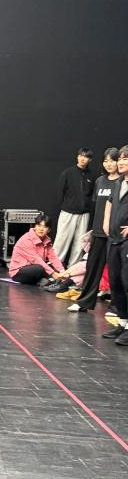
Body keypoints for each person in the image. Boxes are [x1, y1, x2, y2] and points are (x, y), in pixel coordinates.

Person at [70, 148, 121, 312]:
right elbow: (96, 207)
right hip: (98, 232)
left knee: (115, 271)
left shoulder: (122, 182)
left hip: (115, 234)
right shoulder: (100, 181)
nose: (109, 164)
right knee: (92, 268)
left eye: (112, 161)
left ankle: (117, 308)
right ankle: (84, 302)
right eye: (106, 161)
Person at [54, 147, 95, 267]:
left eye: (86, 157)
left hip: (84, 214)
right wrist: (66, 207)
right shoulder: (68, 173)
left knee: (79, 243)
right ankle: (54, 268)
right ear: (77, 157)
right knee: (62, 240)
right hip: (68, 213)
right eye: (81, 155)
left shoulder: (91, 175)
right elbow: (60, 193)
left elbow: (92, 195)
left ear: (90, 160)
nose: (82, 159)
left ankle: (73, 269)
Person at [103, 145, 128, 345]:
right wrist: (106, 222)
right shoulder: (119, 182)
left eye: (125, 159)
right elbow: (110, 202)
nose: (120, 162)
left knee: (127, 282)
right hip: (114, 239)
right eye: (120, 158)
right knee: (116, 281)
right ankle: (123, 322)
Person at [7, 213, 72, 287]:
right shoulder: (26, 239)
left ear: (49, 230)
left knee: (62, 265)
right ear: (35, 226)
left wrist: (62, 272)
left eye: (45, 227)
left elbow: (53, 257)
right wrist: (53, 273)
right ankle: (49, 280)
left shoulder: (47, 240)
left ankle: (47, 280)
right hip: (19, 272)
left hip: (37, 266)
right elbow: (36, 260)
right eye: (39, 225)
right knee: (39, 268)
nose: (41, 229)